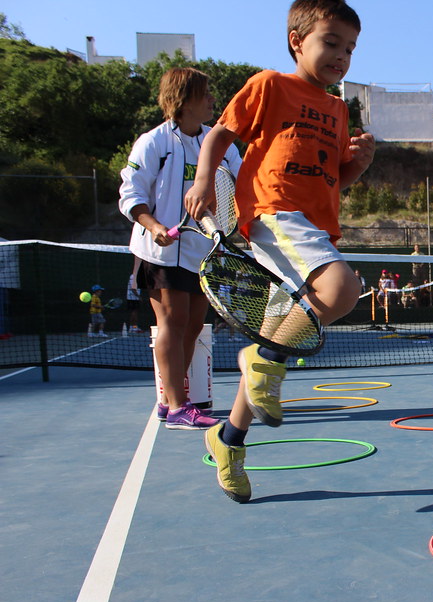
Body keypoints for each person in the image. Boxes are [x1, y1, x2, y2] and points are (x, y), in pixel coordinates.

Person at [183, 0, 375, 502]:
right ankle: (262, 358)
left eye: (350, 48)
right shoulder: (270, 84)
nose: (342, 56)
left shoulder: (338, 110)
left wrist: (358, 166)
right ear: (297, 41)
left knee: (278, 336)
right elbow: (220, 134)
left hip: (313, 228)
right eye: (331, 43)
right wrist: (203, 179)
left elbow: (333, 179)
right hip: (274, 213)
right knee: (342, 289)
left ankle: (228, 439)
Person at [120, 66, 242, 430]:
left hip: (201, 252)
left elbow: (241, 183)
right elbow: (131, 194)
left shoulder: (219, 143)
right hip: (160, 251)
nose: (212, 100)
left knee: (193, 326)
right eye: (205, 94)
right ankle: (176, 405)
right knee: (172, 322)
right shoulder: (153, 142)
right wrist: (154, 226)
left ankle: (172, 400)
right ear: (184, 100)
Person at [125, 259, 142, 333]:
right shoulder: (133, 276)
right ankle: (133, 327)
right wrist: (138, 296)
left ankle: (134, 327)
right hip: (132, 298)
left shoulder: (138, 276)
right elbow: (133, 288)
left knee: (135, 312)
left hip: (135, 298)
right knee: (134, 312)